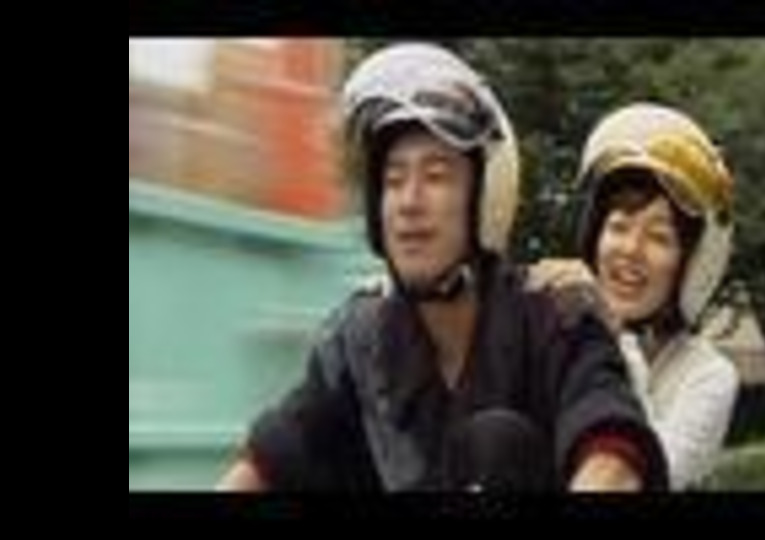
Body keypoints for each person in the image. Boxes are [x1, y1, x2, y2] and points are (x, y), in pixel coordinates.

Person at [217, 43, 666, 492]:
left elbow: (612, 448)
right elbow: (275, 454)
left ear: (484, 196)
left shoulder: (557, 317)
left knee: (496, 442)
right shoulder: (359, 339)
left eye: (436, 176)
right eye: (393, 181)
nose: (409, 202)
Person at [530, 102, 739, 490]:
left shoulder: (708, 376)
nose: (630, 249)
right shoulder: (553, 337)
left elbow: (653, 474)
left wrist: (611, 335)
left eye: (659, 237)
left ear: (690, 264)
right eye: (619, 226)